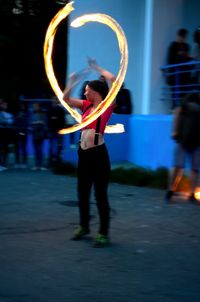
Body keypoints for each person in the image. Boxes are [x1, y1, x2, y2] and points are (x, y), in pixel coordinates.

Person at [63, 59, 116, 247]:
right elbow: (65, 99)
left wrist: (97, 68)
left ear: (95, 92)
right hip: (83, 154)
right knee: (82, 193)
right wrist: (72, 81)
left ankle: (103, 233)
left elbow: (113, 79)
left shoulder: (106, 107)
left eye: (87, 89)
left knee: (100, 195)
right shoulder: (86, 106)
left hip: (98, 156)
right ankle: (84, 226)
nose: (85, 92)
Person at [165, 92, 200, 203]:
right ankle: (177, 192)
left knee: (187, 168)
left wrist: (174, 131)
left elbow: (177, 115)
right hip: (189, 140)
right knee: (185, 168)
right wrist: (175, 130)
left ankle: (185, 193)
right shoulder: (192, 101)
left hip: (190, 141)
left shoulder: (188, 104)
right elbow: (177, 113)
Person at [166, 28, 191, 109]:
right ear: (178, 36)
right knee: (176, 93)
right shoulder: (173, 45)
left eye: (184, 37)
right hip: (175, 74)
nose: (182, 38)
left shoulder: (186, 46)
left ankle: (181, 107)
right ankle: (175, 107)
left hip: (184, 74)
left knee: (183, 92)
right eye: (181, 36)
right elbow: (170, 59)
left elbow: (187, 59)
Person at [47, 96, 66, 167]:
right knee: (51, 146)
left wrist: (61, 128)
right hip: (52, 130)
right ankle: (51, 160)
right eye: (53, 99)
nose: (54, 101)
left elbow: (63, 120)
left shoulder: (60, 109)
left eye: (55, 100)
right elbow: (48, 120)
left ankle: (58, 160)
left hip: (58, 130)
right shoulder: (50, 109)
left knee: (59, 145)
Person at [30, 102, 48, 171]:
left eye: (36, 106)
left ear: (39, 107)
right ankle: (36, 165)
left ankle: (40, 165)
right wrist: (37, 123)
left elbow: (44, 123)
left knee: (40, 149)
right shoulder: (32, 114)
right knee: (36, 149)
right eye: (34, 106)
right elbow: (31, 123)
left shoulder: (43, 114)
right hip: (34, 133)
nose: (35, 107)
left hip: (40, 134)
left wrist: (38, 123)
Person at [14, 102, 29, 168]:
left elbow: (27, 122)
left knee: (24, 147)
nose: (21, 107)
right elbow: (15, 121)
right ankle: (17, 162)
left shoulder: (26, 114)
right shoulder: (17, 113)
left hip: (24, 131)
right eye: (21, 106)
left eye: (23, 106)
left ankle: (24, 162)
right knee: (17, 147)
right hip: (17, 131)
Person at [0, 100, 14, 171]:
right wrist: (6, 121)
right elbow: (2, 121)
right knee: (1, 148)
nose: (5, 106)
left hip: (6, 133)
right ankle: (1, 163)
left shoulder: (9, 114)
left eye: (6, 105)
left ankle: (4, 163)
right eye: (4, 104)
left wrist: (6, 121)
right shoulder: (1, 113)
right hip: (1, 133)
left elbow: (11, 121)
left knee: (5, 148)